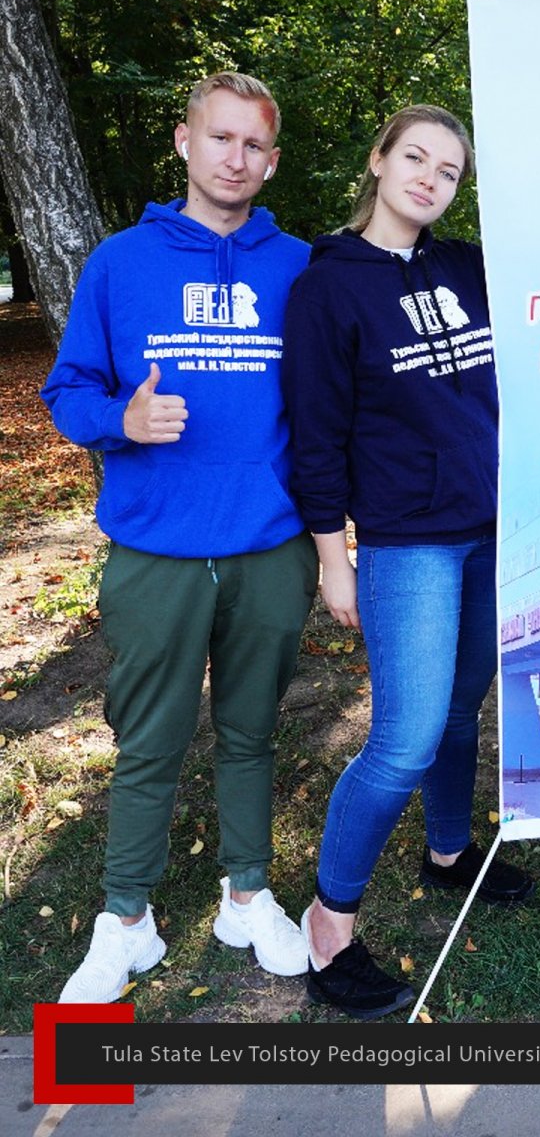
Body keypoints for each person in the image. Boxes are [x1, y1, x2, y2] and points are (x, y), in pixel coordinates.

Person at [42, 72, 318, 1003]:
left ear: (271, 162)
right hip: (156, 547)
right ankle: (127, 919)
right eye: (221, 138)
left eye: (254, 146)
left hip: (268, 545)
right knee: (150, 739)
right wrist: (123, 417)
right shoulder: (121, 263)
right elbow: (66, 391)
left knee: (251, 731)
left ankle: (247, 892)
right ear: (184, 143)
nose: (236, 158)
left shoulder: (299, 266)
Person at [282, 104, 533, 1021]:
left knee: (465, 707)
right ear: (379, 159)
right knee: (405, 737)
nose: (431, 178)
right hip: (406, 542)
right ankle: (329, 925)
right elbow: (316, 437)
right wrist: (332, 557)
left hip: (491, 530)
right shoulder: (328, 287)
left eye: (450, 170)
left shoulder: (466, 266)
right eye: (416, 158)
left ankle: (448, 852)